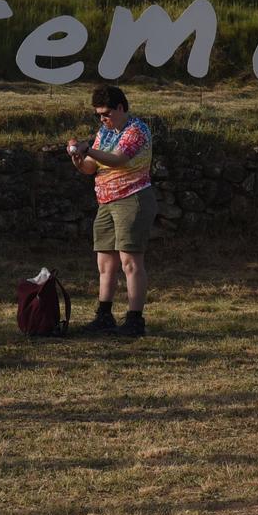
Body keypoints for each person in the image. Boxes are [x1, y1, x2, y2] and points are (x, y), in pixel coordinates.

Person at [67, 85, 156, 338]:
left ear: (120, 107)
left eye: (105, 113)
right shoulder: (104, 133)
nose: (102, 119)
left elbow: (118, 159)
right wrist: (78, 159)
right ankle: (104, 315)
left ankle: (135, 320)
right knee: (105, 262)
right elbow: (90, 168)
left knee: (130, 262)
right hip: (106, 201)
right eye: (98, 115)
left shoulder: (137, 130)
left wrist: (87, 150)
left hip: (132, 198)